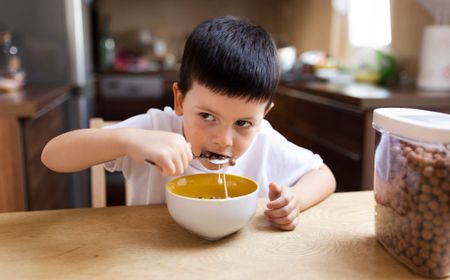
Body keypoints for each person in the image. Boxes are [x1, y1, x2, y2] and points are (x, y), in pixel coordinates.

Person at [42, 16, 336, 231]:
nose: (224, 140)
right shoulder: (152, 129)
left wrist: (295, 199)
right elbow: (52, 156)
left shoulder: (265, 141)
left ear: (265, 114)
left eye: (244, 123)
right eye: (207, 116)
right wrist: (127, 140)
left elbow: (323, 175)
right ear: (180, 101)